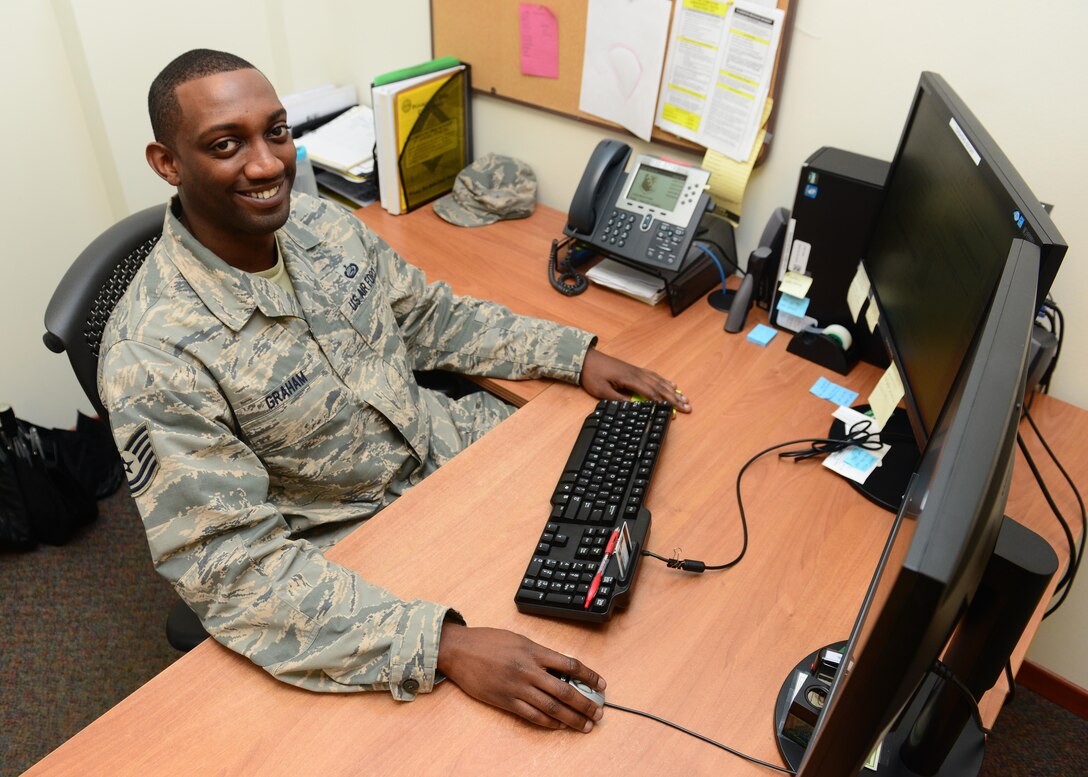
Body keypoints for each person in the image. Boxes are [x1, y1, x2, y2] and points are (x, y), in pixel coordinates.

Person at [100, 48, 691, 734]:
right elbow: (230, 568)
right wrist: (443, 646)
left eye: (276, 132)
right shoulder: (151, 353)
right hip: (361, 552)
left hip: (451, 455)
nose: (266, 165)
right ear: (168, 163)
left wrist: (571, 355)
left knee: (654, 545)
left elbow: (429, 318)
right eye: (226, 144)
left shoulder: (317, 226)